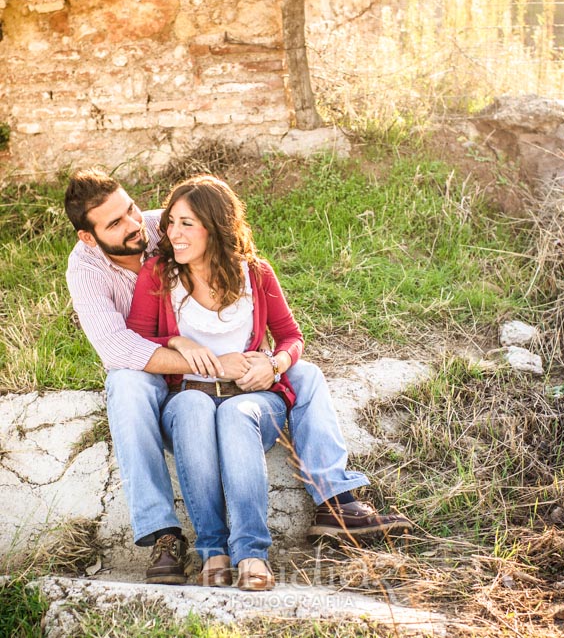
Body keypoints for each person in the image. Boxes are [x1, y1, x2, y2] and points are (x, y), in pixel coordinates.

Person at [64, 167, 412, 586]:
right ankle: (163, 534)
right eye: (116, 223)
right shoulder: (91, 268)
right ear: (89, 236)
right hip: (154, 368)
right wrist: (186, 349)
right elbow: (122, 347)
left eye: (133, 210)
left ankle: (336, 500)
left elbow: (281, 325)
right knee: (128, 383)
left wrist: (272, 363)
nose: (139, 225)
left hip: (242, 378)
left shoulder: (168, 226)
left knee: (305, 375)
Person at [126, 174, 305, 590]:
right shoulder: (159, 274)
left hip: (253, 398)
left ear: (215, 225)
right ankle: (214, 552)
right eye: (171, 222)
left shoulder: (256, 274)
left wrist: (275, 364)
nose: (173, 234)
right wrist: (176, 339)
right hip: (188, 398)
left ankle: (251, 554)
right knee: (192, 407)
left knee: (236, 415)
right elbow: (133, 341)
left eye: (187, 223)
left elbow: (292, 337)